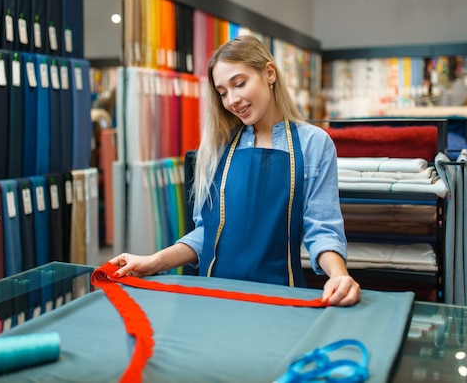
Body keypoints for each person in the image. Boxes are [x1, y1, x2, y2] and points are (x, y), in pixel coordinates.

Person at [111, 35, 361, 307]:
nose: (232, 100)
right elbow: (207, 233)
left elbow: (322, 228)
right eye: (222, 92)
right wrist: (153, 261)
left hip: (281, 300)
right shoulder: (217, 148)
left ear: (269, 73)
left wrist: (339, 275)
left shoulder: (314, 143)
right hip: (213, 296)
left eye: (239, 84)